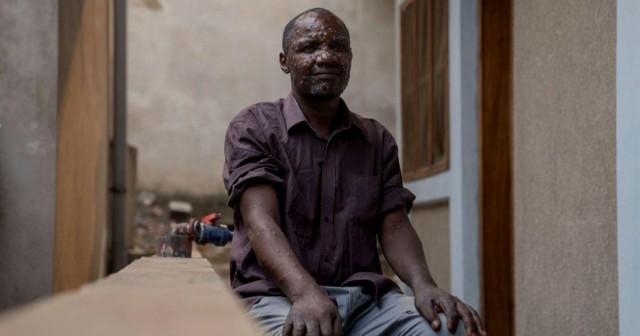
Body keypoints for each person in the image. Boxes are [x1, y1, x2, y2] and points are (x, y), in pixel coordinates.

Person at [223, 8, 485, 336]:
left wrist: (424, 286)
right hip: (279, 297)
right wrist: (305, 293)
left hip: (365, 301)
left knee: (451, 329)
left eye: (338, 47)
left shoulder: (377, 140)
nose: (326, 57)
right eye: (308, 47)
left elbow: (395, 225)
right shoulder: (254, 127)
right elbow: (260, 222)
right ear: (284, 61)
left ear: (349, 58)